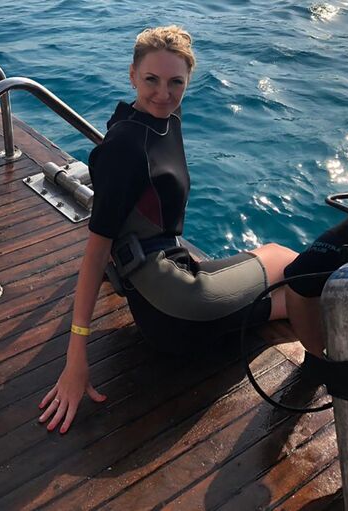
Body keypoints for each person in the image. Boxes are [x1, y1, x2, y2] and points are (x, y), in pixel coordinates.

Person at [39, 25, 299, 434]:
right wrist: (75, 361)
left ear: (189, 80)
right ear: (132, 75)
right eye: (151, 80)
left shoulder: (150, 120)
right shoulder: (125, 147)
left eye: (175, 82)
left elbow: (126, 220)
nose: (163, 94)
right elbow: (94, 252)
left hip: (167, 323)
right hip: (180, 300)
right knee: (285, 259)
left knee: (282, 299)